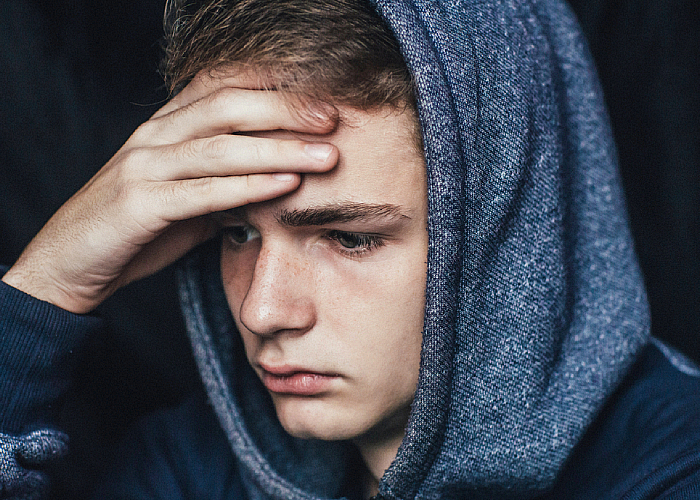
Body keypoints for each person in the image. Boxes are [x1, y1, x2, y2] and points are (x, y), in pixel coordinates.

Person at [1, 0, 699, 498]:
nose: (263, 309)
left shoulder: (672, 467)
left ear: (512, 235)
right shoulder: (191, 463)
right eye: (235, 231)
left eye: (349, 237)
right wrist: (42, 292)